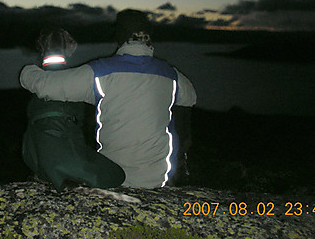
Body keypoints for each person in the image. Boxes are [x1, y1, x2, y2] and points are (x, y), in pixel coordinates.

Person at [20, 10, 196, 188]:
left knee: (52, 105)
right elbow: (190, 99)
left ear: (118, 35)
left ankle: (53, 171)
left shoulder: (101, 72)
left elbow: (44, 87)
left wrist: (39, 62)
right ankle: (180, 170)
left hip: (112, 178)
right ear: (150, 36)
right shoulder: (174, 77)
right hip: (159, 180)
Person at [21, 27, 125, 192]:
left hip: (33, 153)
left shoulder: (32, 78)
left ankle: (46, 173)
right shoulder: (74, 82)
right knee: (116, 175)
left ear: (42, 48)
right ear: (69, 48)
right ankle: (68, 175)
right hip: (66, 146)